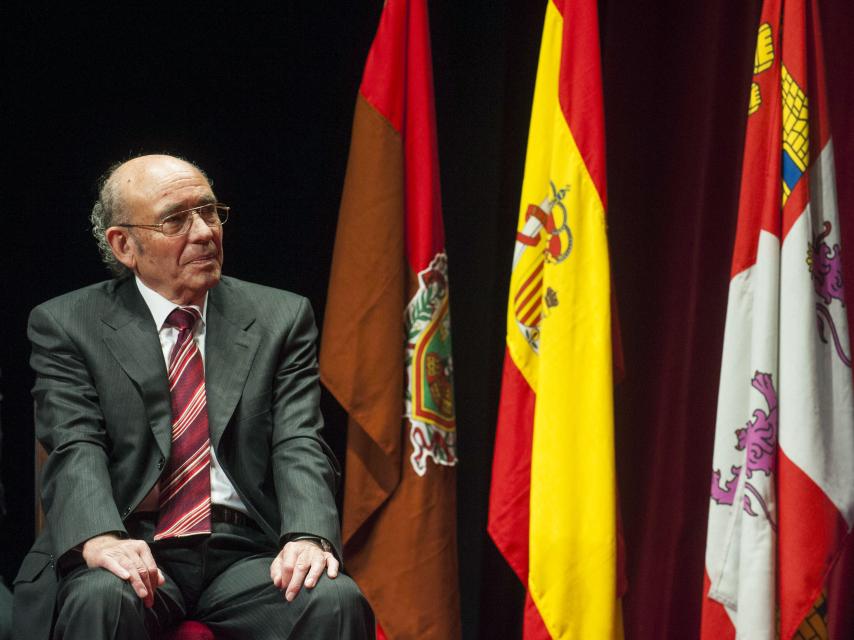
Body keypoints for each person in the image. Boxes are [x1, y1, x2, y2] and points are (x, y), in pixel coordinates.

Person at [12, 154, 373, 639]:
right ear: (124, 245)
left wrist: (307, 535)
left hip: (243, 549)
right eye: (175, 220)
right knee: (102, 596)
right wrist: (100, 535)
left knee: (332, 599)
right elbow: (75, 443)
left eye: (209, 211)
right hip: (130, 535)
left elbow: (298, 441)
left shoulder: (280, 317)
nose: (204, 232)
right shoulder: (68, 324)